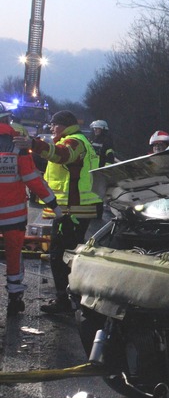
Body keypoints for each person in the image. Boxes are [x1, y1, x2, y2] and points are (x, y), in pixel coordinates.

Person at [13, 110, 102, 314]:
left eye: (54, 124)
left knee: (59, 255)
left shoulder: (74, 142)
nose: (51, 128)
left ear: (64, 125)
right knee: (68, 255)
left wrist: (34, 144)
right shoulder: (78, 140)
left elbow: (62, 155)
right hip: (73, 210)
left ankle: (66, 301)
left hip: (72, 210)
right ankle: (72, 298)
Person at [0, 104, 61, 316]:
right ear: (8, 120)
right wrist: (53, 204)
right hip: (13, 216)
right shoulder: (18, 146)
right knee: (14, 255)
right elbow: (32, 180)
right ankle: (15, 297)